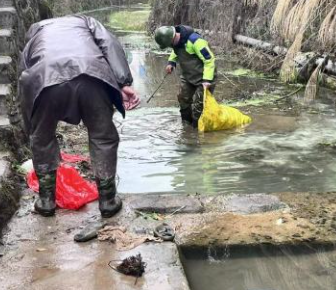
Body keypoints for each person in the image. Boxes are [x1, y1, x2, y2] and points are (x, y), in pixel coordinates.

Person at [19, 15, 140, 218]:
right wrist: (122, 81)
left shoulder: (35, 32)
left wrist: (30, 126)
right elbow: (109, 43)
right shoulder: (85, 21)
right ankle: (108, 200)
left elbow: (23, 76)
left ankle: (47, 200)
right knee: (102, 136)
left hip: (45, 80)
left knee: (42, 138)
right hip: (91, 75)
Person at [154, 25, 216, 127]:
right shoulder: (176, 43)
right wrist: (171, 62)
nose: (170, 47)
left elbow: (209, 60)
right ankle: (186, 126)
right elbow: (175, 51)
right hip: (188, 76)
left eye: (169, 44)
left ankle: (196, 130)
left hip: (205, 77)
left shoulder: (195, 41)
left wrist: (207, 80)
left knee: (199, 105)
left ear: (172, 38)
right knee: (183, 98)